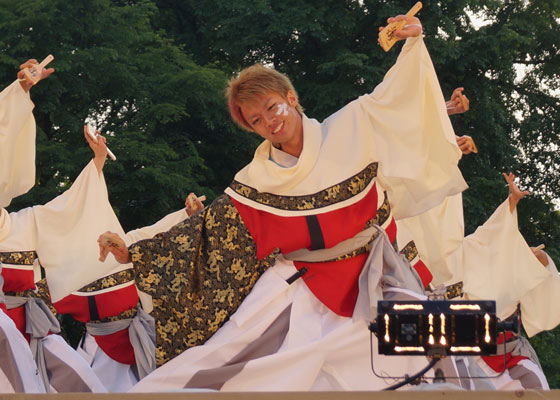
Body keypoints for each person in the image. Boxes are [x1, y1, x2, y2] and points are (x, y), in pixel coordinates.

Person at [99, 14, 469, 391]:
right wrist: (133, 252)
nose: (270, 122)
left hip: (376, 278)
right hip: (302, 290)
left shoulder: (352, 126)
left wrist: (414, 41)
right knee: (246, 370)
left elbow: (400, 98)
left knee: (438, 356)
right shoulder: (258, 181)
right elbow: (205, 235)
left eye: (273, 108)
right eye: (257, 120)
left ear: (292, 99)